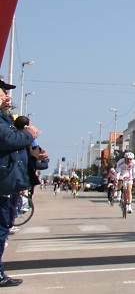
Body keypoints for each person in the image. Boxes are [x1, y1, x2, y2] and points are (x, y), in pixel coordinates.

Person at [0, 77, 40, 287]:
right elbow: (7, 140)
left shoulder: (4, 118)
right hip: (3, 184)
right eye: (3, 91)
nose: (8, 96)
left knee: (3, 228)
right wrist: (28, 135)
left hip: (8, 183)